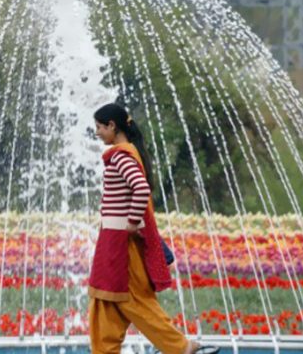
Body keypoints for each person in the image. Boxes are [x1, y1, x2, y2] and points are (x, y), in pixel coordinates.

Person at [88, 103, 212, 354]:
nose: (98, 133)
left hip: (122, 246)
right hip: (113, 242)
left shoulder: (121, 156)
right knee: (104, 300)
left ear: (112, 126)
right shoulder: (122, 154)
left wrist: (131, 223)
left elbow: (141, 188)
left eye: (99, 127)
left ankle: (181, 347)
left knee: (133, 299)